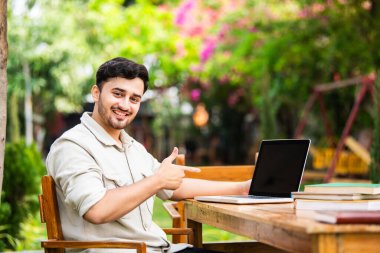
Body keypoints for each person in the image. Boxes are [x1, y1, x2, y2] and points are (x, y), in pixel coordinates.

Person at [46, 57, 251, 253]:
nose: (125, 105)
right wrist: (157, 181)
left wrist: (241, 188)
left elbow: (174, 186)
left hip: (160, 248)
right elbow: (97, 209)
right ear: (96, 93)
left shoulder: (132, 147)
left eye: (134, 99)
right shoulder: (72, 146)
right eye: (118, 94)